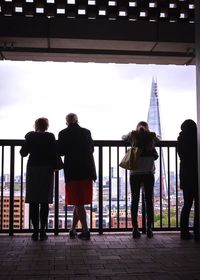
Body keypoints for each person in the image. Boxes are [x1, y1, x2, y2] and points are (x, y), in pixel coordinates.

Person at [57, 113, 96, 240]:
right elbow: (92, 149)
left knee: (77, 202)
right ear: (77, 121)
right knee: (78, 202)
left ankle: (85, 230)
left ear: (66, 122)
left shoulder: (63, 133)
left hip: (72, 171)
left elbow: (61, 151)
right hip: (87, 170)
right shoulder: (86, 132)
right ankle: (72, 229)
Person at [20, 117, 57, 241]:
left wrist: (28, 136)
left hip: (33, 169)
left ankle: (35, 232)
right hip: (47, 169)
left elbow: (23, 153)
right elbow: (55, 151)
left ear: (36, 126)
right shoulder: (51, 136)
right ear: (47, 126)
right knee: (44, 201)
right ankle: (43, 231)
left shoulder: (31, 136)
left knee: (34, 201)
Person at [122, 121, 159, 238]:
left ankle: (135, 228)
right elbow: (159, 140)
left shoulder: (133, 135)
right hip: (148, 173)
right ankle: (149, 228)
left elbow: (123, 138)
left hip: (135, 173)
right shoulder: (152, 136)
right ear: (147, 128)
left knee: (135, 200)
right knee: (148, 201)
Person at [177, 119, 199, 240]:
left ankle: (184, 232)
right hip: (196, 174)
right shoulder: (196, 138)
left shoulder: (180, 139)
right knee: (198, 205)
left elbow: (181, 155)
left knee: (187, 204)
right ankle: (197, 230)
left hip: (185, 174)